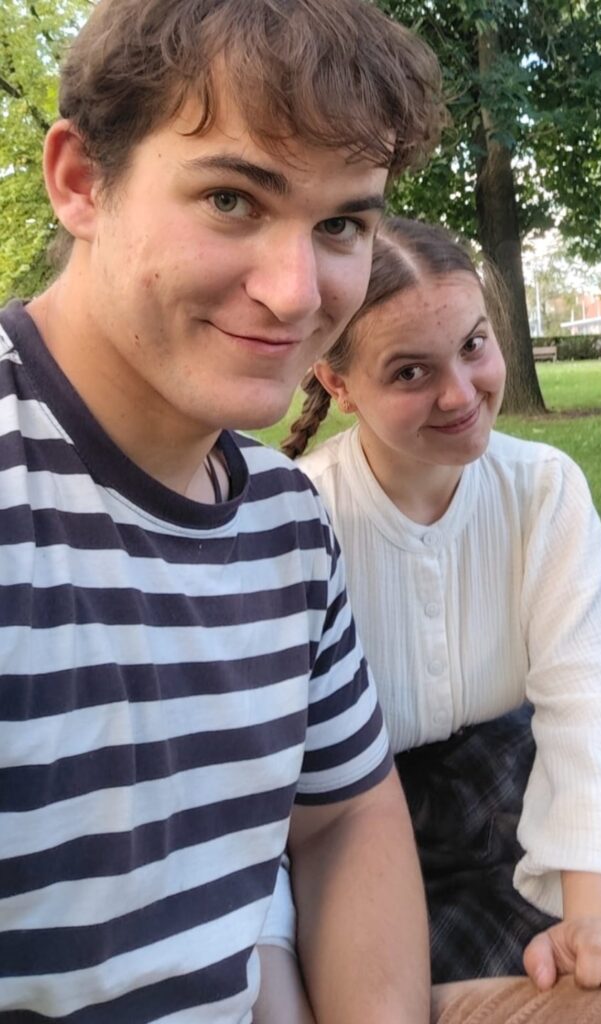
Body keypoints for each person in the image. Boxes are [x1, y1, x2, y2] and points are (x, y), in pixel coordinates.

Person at [0, 2, 447, 1021]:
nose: (296, 293)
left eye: (341, 225)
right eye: (232, 200)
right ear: (81, 180)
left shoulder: (286, 518)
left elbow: (342, 819)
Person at [264, 218, 601, 1019]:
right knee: (403, 965)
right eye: (411, 371)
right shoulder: (298, 519)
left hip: (522, 770)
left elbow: (587, 709)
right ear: (338, 384)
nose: (461, 393)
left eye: (474, 346)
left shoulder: (544, 488)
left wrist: (598, 925)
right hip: (363, 820)